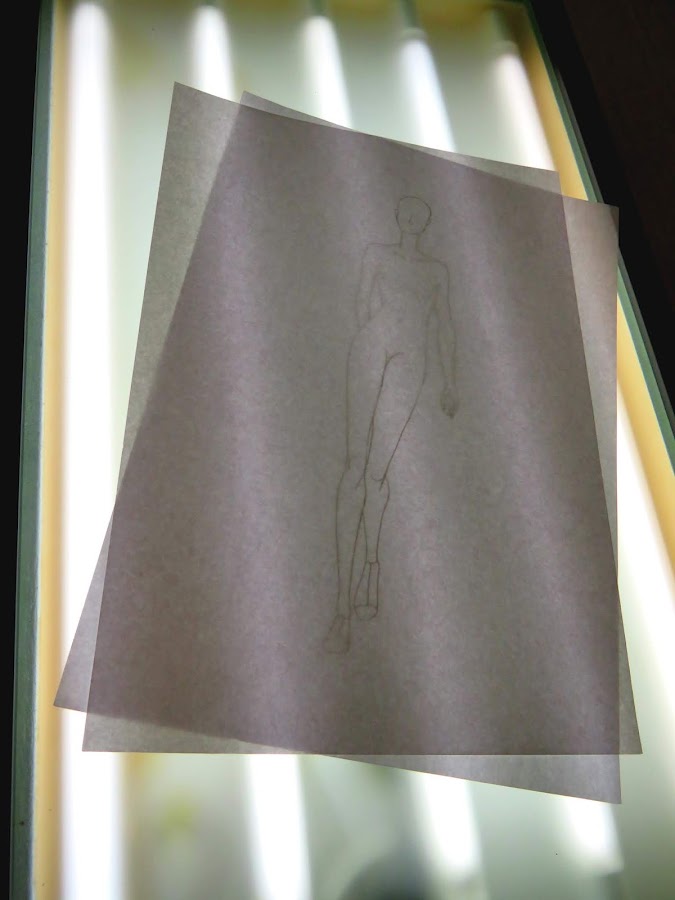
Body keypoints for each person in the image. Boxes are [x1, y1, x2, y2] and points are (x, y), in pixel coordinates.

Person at [324, 196, 459, 654]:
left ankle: (372, 564)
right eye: (406, 211)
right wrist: (375, 338)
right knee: (355, 467)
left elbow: (445, 325)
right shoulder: (376, 255)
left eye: (420, 213)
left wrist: (450, 381)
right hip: (372, 345)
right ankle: (342, 608)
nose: (412, 218)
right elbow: (362, 304)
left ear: (427, 220)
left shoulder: (436, 271)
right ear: (398, 216)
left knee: (377, 473)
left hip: (411, 356)